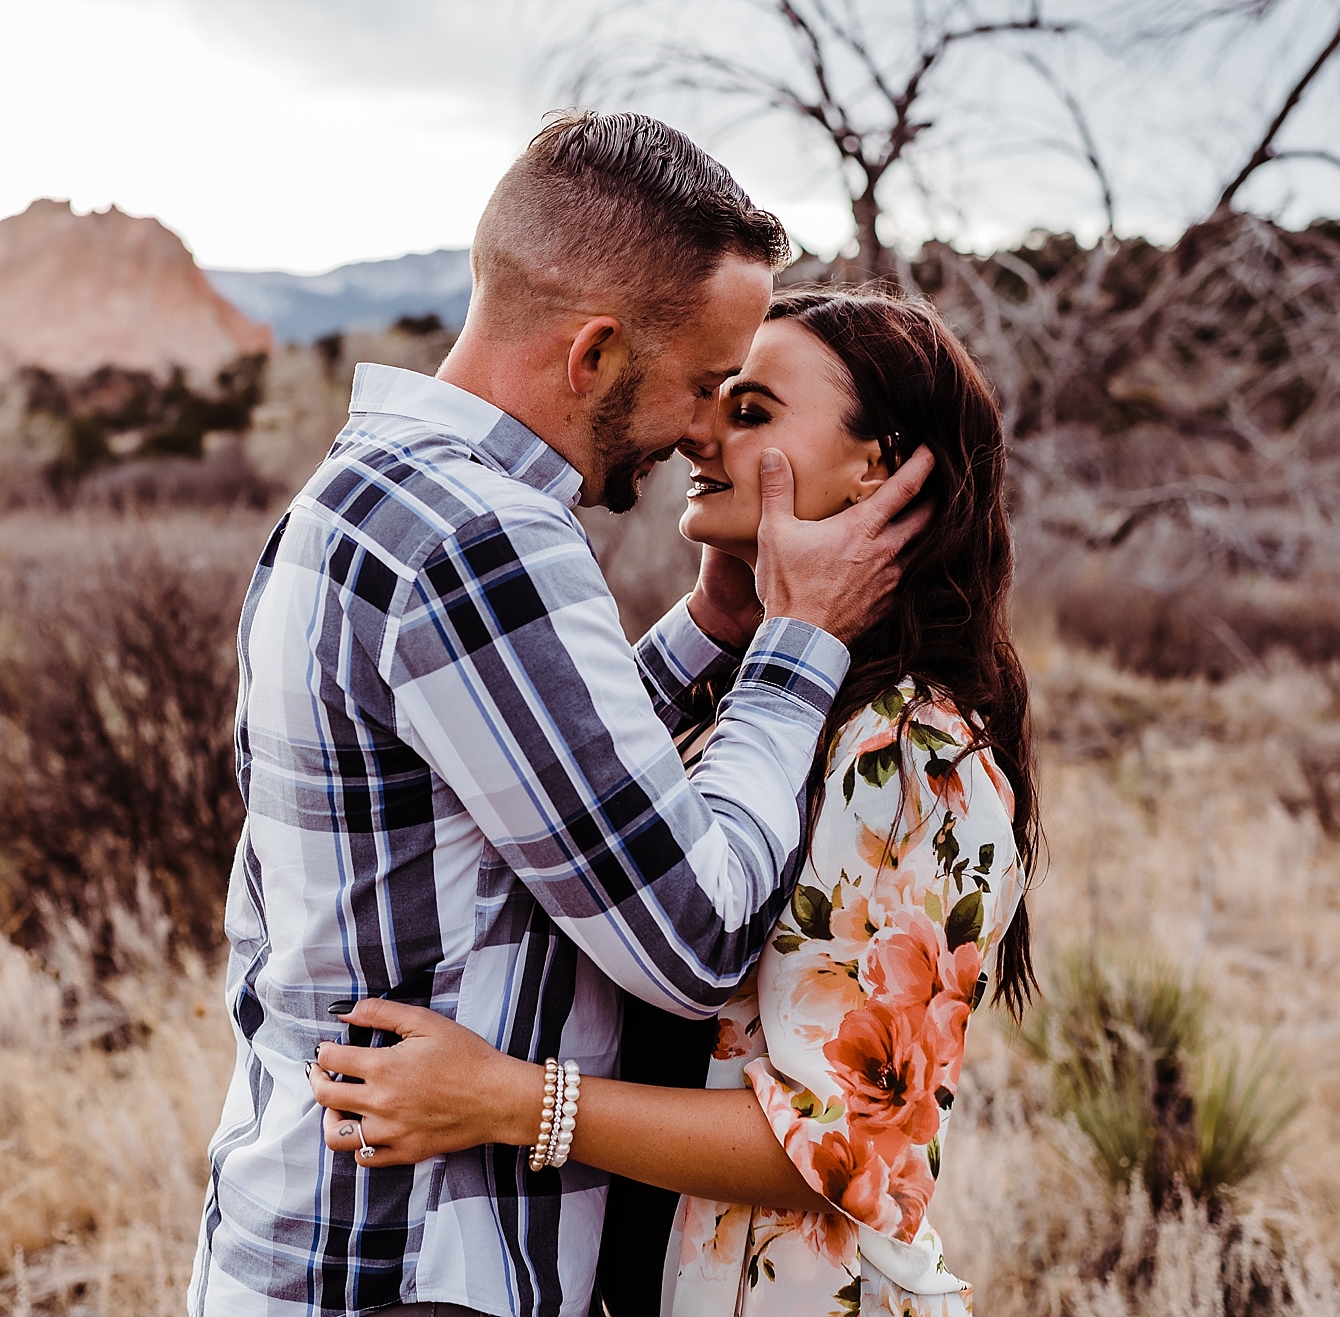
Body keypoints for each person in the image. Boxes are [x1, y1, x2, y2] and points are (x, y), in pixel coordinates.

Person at [189, 112, 933, 1317]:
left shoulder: (364, 494)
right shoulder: (485, 538)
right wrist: (800, 648)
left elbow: (517, 789)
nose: (704, 431)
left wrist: (709, 626)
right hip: (415, 1269)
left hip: (321, 1245)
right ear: (591, 353)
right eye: (702, 386)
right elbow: (692, 934)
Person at [305, 289, 1038, 1317]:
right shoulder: (762, 700)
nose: (705, 435)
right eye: (715, 398)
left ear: (875, 467)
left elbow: (844, 1143)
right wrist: (722, 618)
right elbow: (598, 795)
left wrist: (513, 1102)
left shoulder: (913, 755)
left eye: (751, 412)